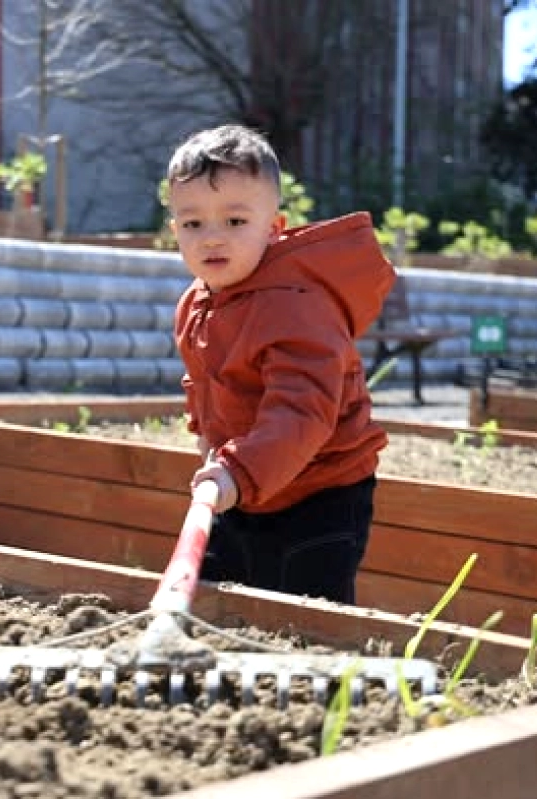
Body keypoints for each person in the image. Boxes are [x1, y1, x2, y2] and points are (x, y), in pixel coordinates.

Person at [166, 124, 396, 605]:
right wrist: (209, 443)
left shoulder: (296, 305)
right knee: (220, 596)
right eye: (193, 224)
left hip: (319, 494)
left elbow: (301, 413)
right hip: (242, 481)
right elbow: (202, 381)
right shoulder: (196, 303)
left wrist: (235, 472)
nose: (212, 239)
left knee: (306, 611)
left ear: (273, 229)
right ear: (175, 231)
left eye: (235, 222)